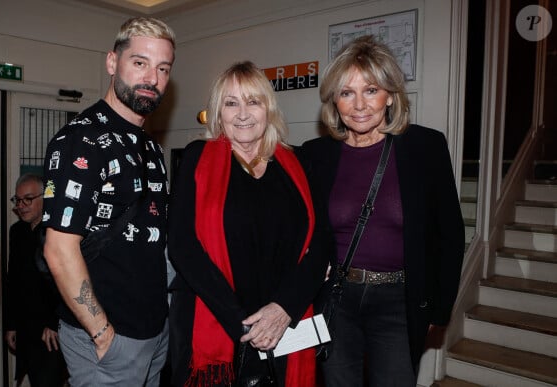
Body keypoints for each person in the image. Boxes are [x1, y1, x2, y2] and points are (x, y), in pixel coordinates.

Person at [298, 35, 465, 386]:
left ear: (390, 95)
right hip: (337, 298)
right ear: (334, 101)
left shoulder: (425, 147)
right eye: (346, 93)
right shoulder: (315, 154)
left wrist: (440, 306)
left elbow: (449, 234)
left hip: (400, 302)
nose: (359, 104)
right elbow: (302, 229)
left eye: (370, 90)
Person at [167, 61, 330, 387]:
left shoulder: (297, 162)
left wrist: (283, 309)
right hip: (216, 318)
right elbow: (183, 246)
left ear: (267, 108)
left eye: (252, 101)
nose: (242, 113)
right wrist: (242, 323)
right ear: (218, 111)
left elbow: (322, 243)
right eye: (231, 103)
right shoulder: (197, 158)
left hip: (287, 322)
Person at [41, 17, 174, 387]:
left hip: (153, 333)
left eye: (163, 68)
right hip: (108, 343)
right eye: (140, 62)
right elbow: (58, 249)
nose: (152, 77)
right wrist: (102, 335)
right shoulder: (81, 140)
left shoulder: (148, 145)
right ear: (112, 63)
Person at [4, 173, 67, 387]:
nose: (21, 205)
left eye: (28, 199)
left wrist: (53, 322)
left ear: (45, 198)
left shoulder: (57, 233)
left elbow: (66, 284)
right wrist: (11, 324)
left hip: (50, 330)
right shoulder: (17, 231)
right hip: (25, 327)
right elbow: (13, 280)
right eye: (17, 200)